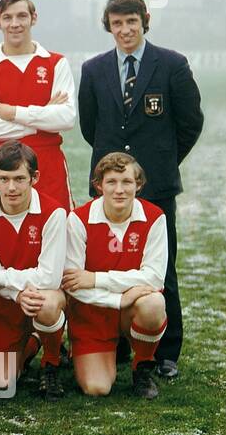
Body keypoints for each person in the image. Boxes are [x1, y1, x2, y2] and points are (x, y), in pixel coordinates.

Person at [77, 0, 202, 379]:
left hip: (155, 187)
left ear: (144, 21)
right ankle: (111, 342)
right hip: (109, 186)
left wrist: (160, 162)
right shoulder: (94, 69)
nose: (125, 29)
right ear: (109, 26)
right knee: (104, 263)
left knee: (161, 269)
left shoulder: (171, 64)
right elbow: (89, 125)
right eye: (117, 23)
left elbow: (190, 122)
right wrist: (114, 174)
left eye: (132, 21)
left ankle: (165, 352)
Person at [0, 141, 68, 399]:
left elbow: (49, 276)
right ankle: (32, 342)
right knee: (1, 382)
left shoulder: (54, 212)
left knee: (46, 303)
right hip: (6, 299)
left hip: (43, 295)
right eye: (4, 179)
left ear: (35, 178)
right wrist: (16, 294)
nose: (11, 187)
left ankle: (51, 363)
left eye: (20, 179)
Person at [62, 153, 169, 399]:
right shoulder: (78, 219)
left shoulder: (155, 217)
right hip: (92, 314)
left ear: (138, 185)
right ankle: (99, 351)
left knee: (153, 303)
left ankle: (142, 366)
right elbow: (73, 283)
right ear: (98, 185)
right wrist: (118, 299)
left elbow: (153, 279)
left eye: (127, 182)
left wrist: (96, 278)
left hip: (132, 309)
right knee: (97, 389)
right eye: (111, 182)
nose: (119, 190)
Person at [0, 0, 76, 209]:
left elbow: (66, 119)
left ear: (33, 18)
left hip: (48, 163)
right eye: (7, 18)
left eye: (21, 16)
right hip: (0, 165)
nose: (15, 24)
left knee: (55, 232)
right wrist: (42, 118)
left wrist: (13, 113)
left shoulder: (56, 63)